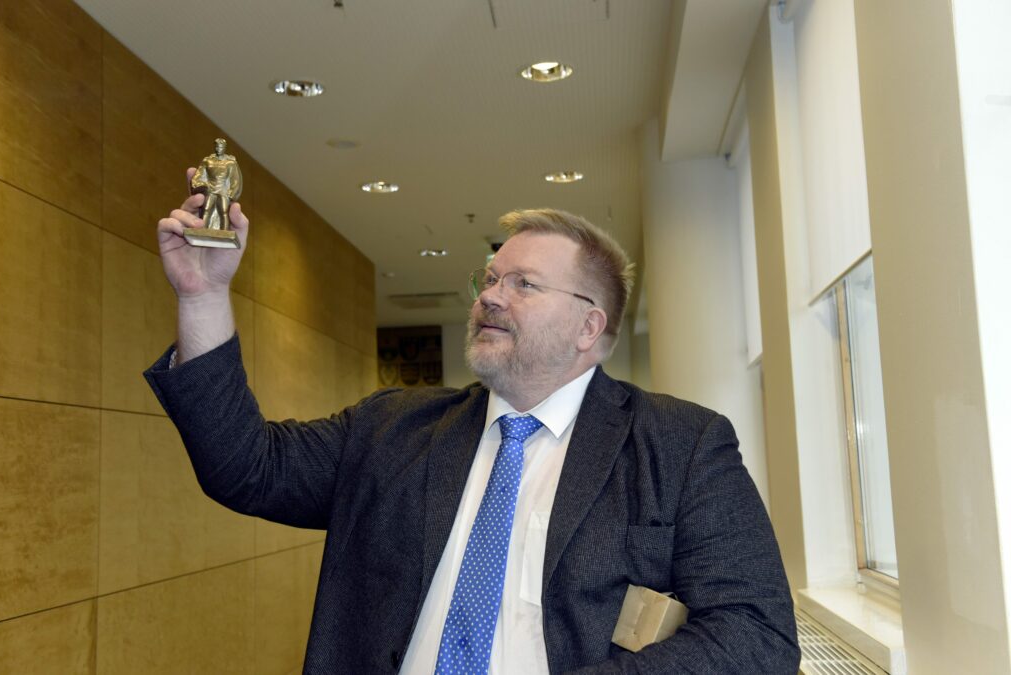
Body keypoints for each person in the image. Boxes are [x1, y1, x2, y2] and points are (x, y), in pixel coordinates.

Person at [146, 184, 800, 674]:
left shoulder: (680, 444)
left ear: (588, 326)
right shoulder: (390, 429)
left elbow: (756, 634)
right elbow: (245, 467)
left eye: (524, 284)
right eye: (489, 279)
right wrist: (202, 297)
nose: (489, 295)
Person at [191, 138, 242, 231]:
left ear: (224, 148)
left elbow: (235, 179)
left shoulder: (230, 163)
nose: (218, 149)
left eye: (221, 147)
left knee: (224, 211)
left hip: (223, 191)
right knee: (206, 210)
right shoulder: (207, 161)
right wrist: (198, 184)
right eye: (217, 147)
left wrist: (232, 193)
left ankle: (224, 232)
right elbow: (199, 175)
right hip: (210, 189)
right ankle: (202, 230)